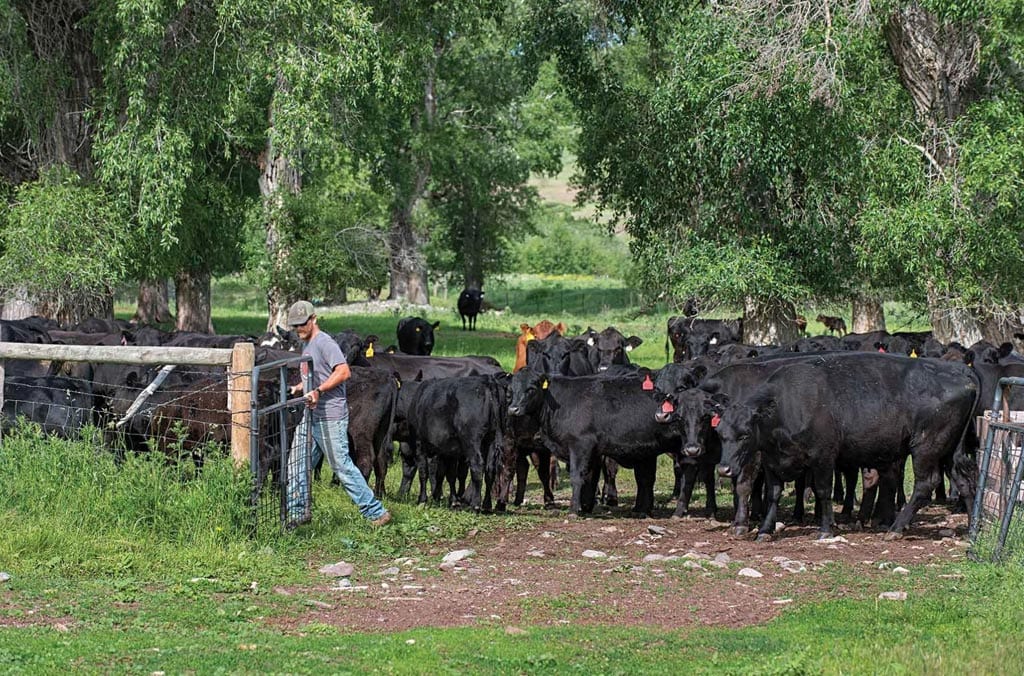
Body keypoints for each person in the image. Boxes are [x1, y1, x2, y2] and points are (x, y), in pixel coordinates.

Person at [284, 300, 392, 529]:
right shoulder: (308, 344)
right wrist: (300, 388)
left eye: (302, 324)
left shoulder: (324, 343)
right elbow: (317, 375)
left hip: (330, 416)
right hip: (311, 414)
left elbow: (343, 371)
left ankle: (376, 512)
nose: (299, 329)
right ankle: (296, 513)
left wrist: (319, 391)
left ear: (313, 320)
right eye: (295, 325)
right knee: (296, 463)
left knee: (341, 466)